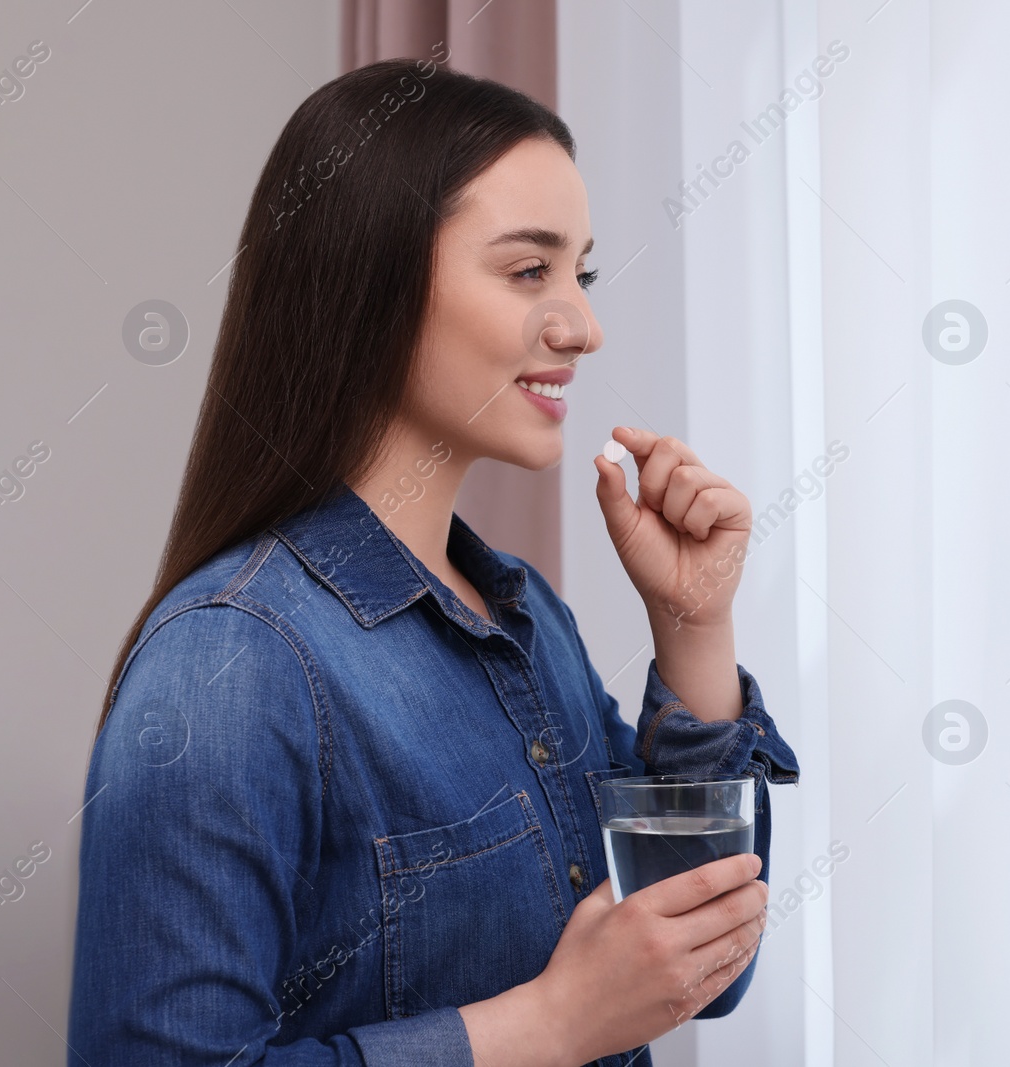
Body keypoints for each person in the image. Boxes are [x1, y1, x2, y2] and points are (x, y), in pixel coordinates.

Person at [66, 56, 799, 1067]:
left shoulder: (528, 617)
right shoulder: (228, 665)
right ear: (367, 275)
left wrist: (693, 629)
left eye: (578, 272)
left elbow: (699, 966)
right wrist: (550, 1024)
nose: (582, 325)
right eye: (527, 269)